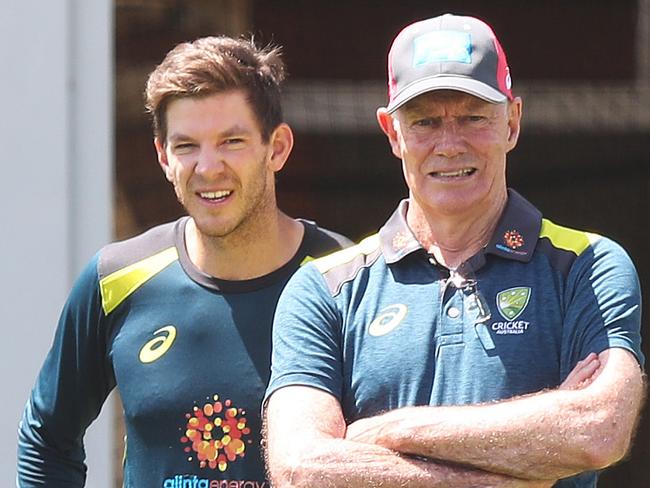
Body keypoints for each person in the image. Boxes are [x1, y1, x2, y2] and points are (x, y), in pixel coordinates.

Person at [264, 13, 645, 487]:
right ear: (392, 133)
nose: (450, 144)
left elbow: (597, 430)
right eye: (424, 121)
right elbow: (302, 470)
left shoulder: (588, 265)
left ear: (512, 123)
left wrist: (390, 431)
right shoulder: (324, 288)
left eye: (473, 117)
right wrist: (512, 473)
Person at [17, 36, 350, 487]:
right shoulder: (115, 280)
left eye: (231, 141)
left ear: (277, 148)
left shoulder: (348, 277)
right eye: (187, 146)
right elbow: (46, 440)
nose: (208, 167)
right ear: (163, 157)